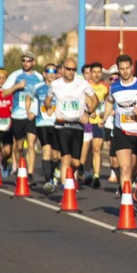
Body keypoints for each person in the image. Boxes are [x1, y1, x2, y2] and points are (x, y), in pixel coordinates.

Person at [44, 58, 98, 200]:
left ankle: (61, 172)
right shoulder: (55, 84)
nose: (71, 72)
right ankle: (65, 192)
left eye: (73, 69)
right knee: (66, 159)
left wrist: (87, 113)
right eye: (68, 69)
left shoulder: (82, 84)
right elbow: (47, 100)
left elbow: (95, 100)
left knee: (76, 162)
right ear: (62, 69)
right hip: (61, 124)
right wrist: (48, 108)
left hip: (77, 124)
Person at [107, 54, 137, 215]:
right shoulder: (114, 87)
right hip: (121, 131)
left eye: (127, 68)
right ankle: (127, 203)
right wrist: (104, 116)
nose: (125, 72)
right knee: (125, 168)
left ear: (132, 68)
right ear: (118, 70)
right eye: (122, 69)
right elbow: (109, 102)